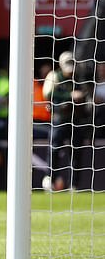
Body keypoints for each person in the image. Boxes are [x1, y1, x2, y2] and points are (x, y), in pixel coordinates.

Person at [42, 51, 93, 191]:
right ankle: (51, 180)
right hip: (59, 120)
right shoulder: (54, 76)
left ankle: (74, 185)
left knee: (76, 153)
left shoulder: (79, 78)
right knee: (54, 150)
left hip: (76, 119)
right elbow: (48, 93)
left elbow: (87, 93)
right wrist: (69, 96)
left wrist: (81, 97)